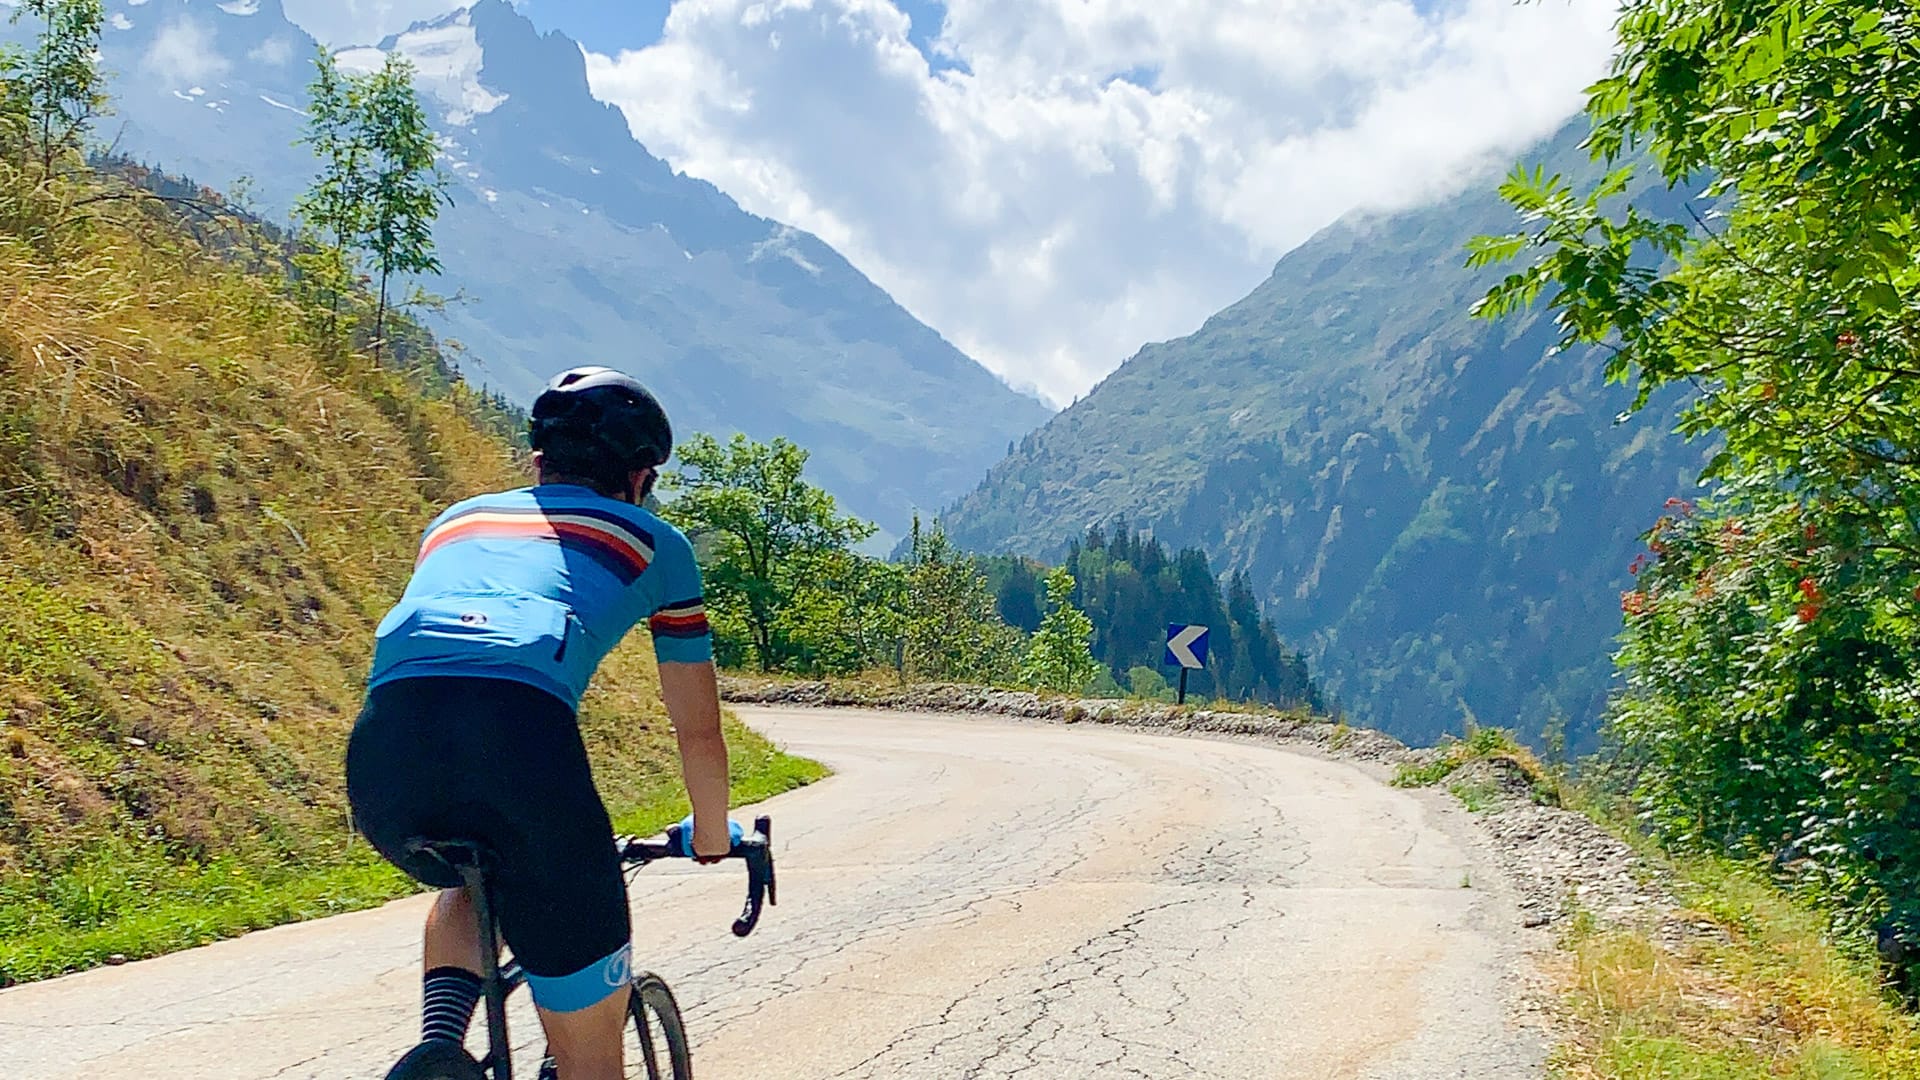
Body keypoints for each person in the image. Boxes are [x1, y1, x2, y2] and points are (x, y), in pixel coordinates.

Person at [346, 367, 732, 1080]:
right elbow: (698, 729)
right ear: (641, 476)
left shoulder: (456, 520)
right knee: (592, 1063)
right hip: (520, 743)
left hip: (385, 754)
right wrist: (711, 835)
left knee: (468, 875)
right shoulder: (658, 543)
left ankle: (441, 1047)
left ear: (536, 464)